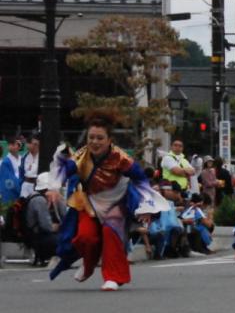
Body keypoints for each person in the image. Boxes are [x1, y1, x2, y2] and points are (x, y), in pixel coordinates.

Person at [48, 109, 170, 290]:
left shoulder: (121, 158)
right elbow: (65, 170)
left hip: (115, 204)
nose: (95, 142)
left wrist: (146, 205)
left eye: (100, 138)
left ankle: (113, 277)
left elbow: (140, 179)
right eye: (91, 137)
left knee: (110, 232)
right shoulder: (81, 156)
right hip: (89, 203)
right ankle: (89, 264)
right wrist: (53, 187)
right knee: (85, 237)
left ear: (109, 140)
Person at [24, 172, 62, 267]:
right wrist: (57, 226)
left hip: (37, 235)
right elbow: (47, 226)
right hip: (38, 237)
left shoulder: (37, 197)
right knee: (65, 240)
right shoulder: (39, 200)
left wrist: (59, 201)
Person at [0, 136, 26, 204]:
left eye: (13, 144)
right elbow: (7, 179)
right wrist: (18, 186)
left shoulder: (22, 159)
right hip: (13, 189)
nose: (10, 146)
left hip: (23, 186)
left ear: (19, 146)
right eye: (9, 144)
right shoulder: (5, 162)